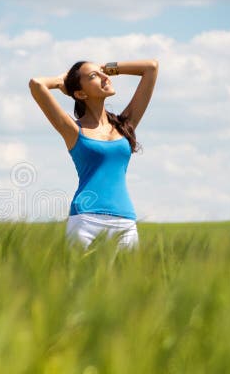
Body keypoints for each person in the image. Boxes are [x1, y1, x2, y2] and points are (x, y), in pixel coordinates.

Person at [28, 59, 159, 252]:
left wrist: (108, 68)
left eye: (102, 74)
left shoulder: (124, 126)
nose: (104, 77)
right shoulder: (73, 130)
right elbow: (36, 84)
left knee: (127, 282)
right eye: (93, 76)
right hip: (85, 221)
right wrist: (60, 81)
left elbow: (151, 68)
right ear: (80, 93)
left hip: (125, 222)